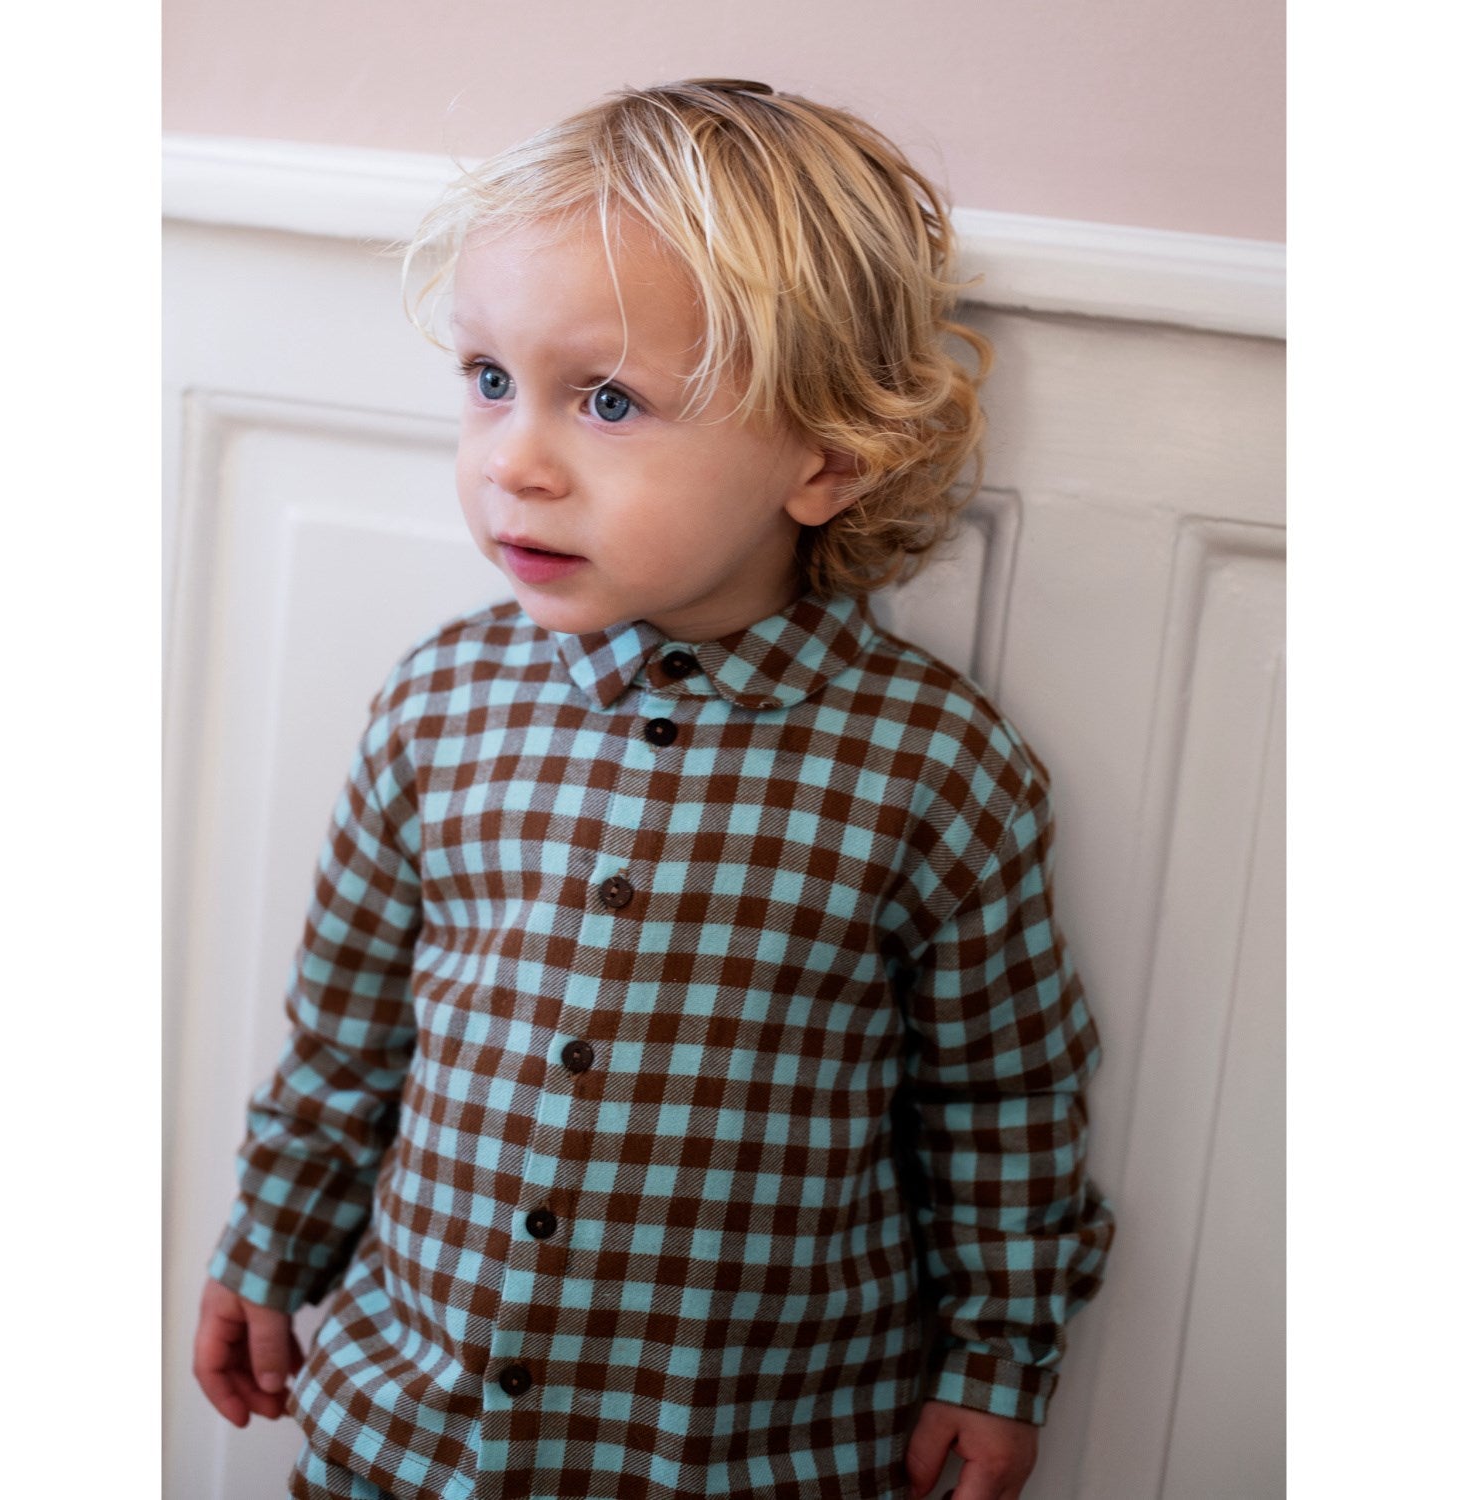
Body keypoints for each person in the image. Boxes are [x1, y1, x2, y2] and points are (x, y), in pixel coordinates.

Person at [192, 78, 1115, 1500]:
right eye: (489, 380)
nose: (514, 461)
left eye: (609, 401)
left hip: (744, 1453)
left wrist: (998, 1356)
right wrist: (270, 1247)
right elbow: (347, 1033)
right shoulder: (441, 703)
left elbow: (1003, 1102)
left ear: (827, 457)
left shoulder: (934, 766)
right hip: (407, 1432)